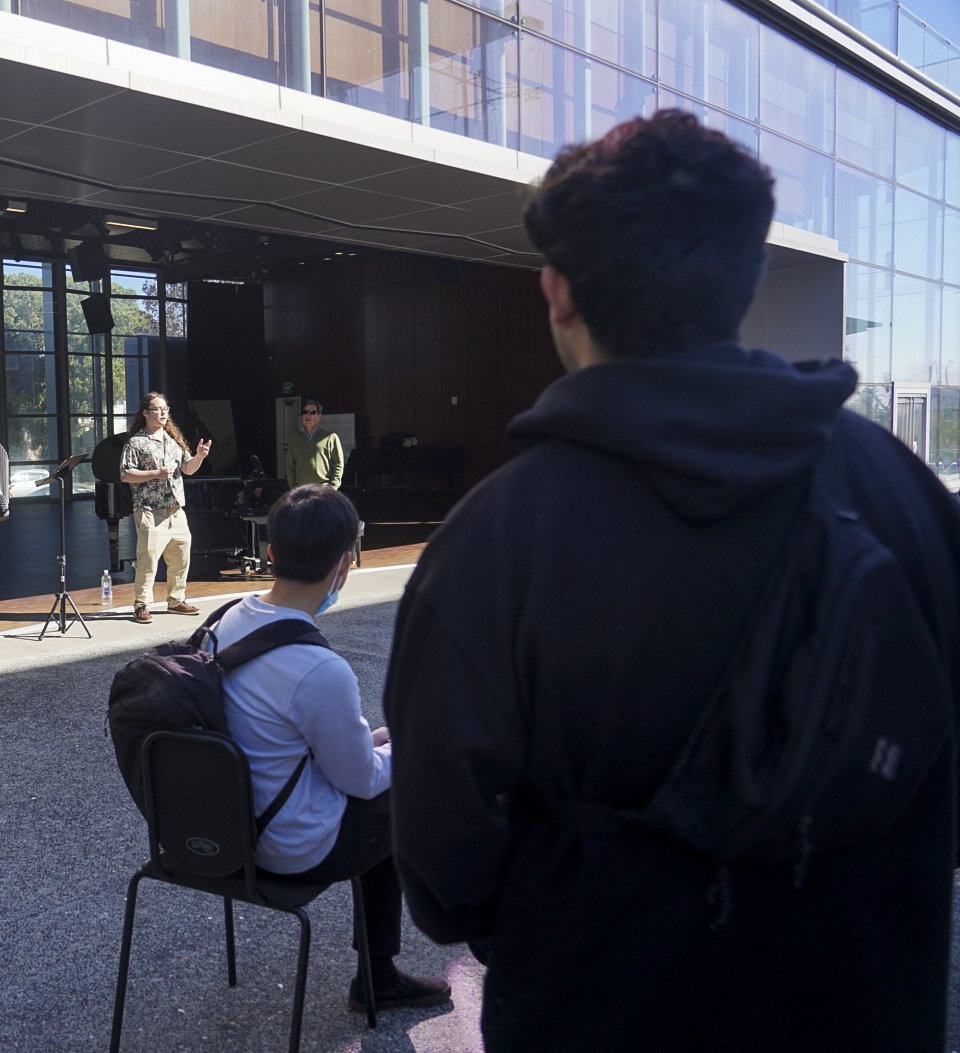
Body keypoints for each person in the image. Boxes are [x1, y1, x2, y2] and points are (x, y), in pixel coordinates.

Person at [383, 110, 960, 1052]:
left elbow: (444, 878)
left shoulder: (490, 544)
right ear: (745, 278)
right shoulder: (904, 491)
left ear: (557, 291)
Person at [214, 484, 449, 1012]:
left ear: (270, 552)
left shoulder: (225, 621)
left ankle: (379, 973)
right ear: (345, 564)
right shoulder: (320, 669)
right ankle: (378, 976)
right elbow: (361, 781)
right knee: (393, 803)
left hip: (218, 831)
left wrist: (368, 745)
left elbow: (271, 730)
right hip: (285, 847)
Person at [119, 391, 211, 624]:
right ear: (145, 413)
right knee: (148, 559)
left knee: (181, 556)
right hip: (150, 510)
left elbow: (187, 469)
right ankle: (141, 605)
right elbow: (126, 474)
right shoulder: (136, 442)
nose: (162, 413)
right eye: (157, 409)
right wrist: (155, 474)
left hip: (175, 509)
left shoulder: (172, 441)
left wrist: (199, 457)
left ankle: (176, 600)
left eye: (165, 409)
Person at [284, 399, 344, 489]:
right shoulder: (294, 439)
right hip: (301, 490)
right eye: (305, 412)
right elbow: (290, 466)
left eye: (312, 412)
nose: (308, 415)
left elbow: (338, 464)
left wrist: (332, 487)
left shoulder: (330, 437)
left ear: (319, 416)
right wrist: (293, 487)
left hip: (323, 490)